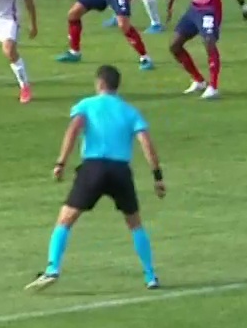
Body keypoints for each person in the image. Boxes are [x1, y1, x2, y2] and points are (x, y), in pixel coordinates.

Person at [29, 64, 165, 292]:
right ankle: (150, 274)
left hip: (93, 168)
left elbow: (73, 130)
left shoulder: (86, 105)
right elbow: (146, 142)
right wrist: (157, 176)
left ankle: (52, 268)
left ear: (100, 83)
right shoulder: (130, 111)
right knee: (134, 223)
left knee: (65, 219)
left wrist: (61, 163)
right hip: (120, 170)